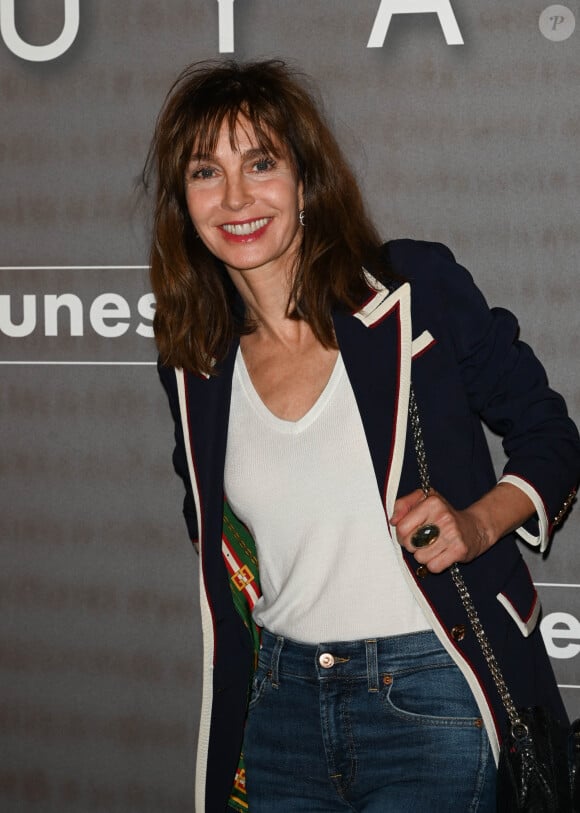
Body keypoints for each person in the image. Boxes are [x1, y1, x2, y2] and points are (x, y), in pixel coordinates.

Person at [146, 59, 580, 812]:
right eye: (206, 171)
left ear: (306, 179)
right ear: (184, 203)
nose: (237, 196)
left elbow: (552, 434)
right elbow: (210, 525)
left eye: (261, 162)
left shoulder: (415, 290)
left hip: (430, 695)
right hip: (279, 707)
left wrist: (478, 523)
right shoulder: (194, 357)